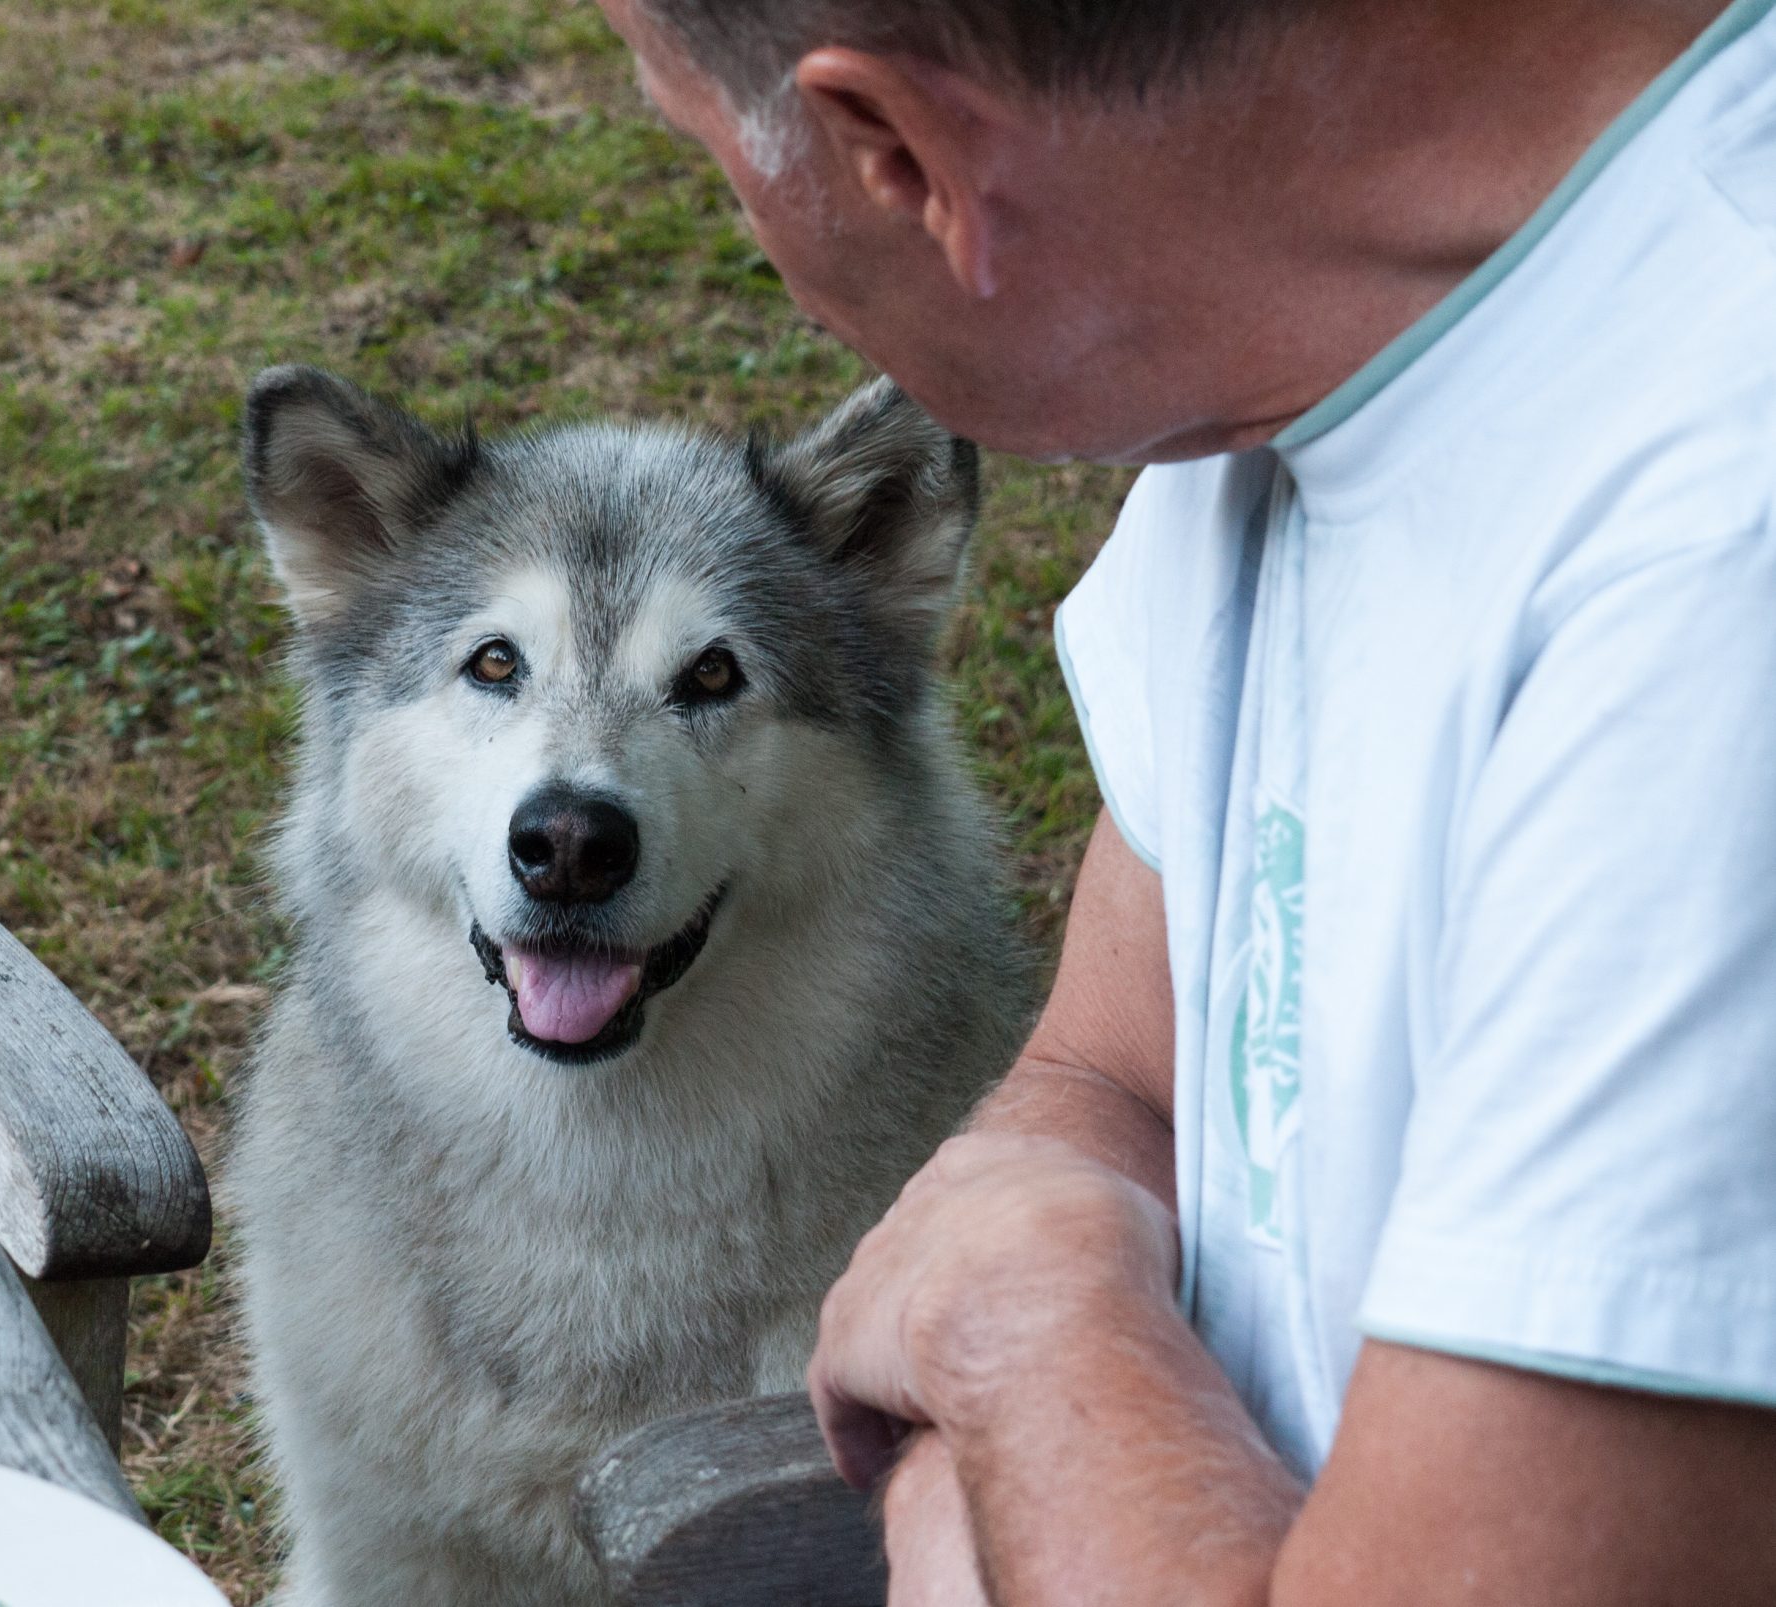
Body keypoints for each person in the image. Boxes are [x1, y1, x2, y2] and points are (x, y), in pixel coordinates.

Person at [587, 0, 1776, 1601]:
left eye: (700, 145)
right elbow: (1110, 1070)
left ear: (898, 158)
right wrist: (1038, 1401)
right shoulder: (1270, 347)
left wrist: (1017, 1335)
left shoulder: (1713, 580)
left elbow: (1006, 1252)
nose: (748, 233)